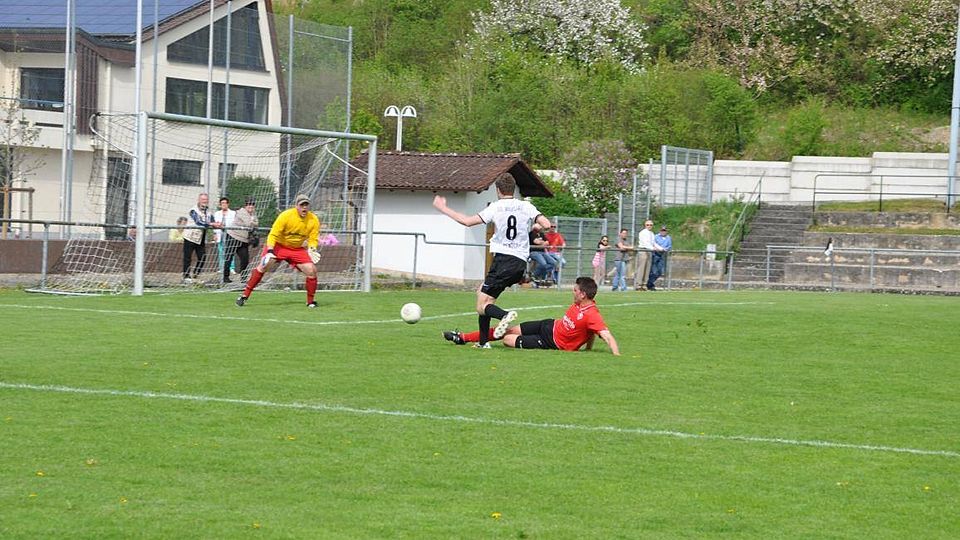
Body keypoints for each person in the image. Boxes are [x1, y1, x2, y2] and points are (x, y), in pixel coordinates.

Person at [433, 173, 551, 349]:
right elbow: (547, 224)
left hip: (503, 261)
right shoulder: (525, 206)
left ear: (498, 190)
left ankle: (504, 315)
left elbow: (467, 221)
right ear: (514, 190)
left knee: (482, 306)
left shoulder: (495, 207)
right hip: (520, 263)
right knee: (483, 295)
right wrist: (536, 226)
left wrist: (443, 208)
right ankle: (483, 342)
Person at [442, 277, 620, 356]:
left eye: (575, 290)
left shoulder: (592, 315)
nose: (572, 292)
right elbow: (590, 332)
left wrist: (617, 355)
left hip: (551, 342)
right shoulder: (579, 304)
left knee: (507, 340)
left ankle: (466, 339)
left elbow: (605, 335)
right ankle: (463, 338)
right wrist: (588, 348)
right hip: (548, 325)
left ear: (583, 294)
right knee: (506, 331)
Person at [236, 193, 321, 308]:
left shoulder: (313, 219)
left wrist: (312, 248)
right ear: (296, 206)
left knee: (312, 270)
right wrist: (270, 250)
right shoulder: (286, 216)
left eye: (306, 205)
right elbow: (273, 234)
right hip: (279, 246)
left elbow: (313, 238)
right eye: (302, 205)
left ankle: (310, 302)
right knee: (264, 265)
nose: (304, 208)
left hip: (296, 249)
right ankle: (245, 295)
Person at [182, 193, 221, 282]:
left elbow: (212, 221)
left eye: (206, 200)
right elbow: (199, 222)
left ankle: (196, 273)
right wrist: (212, 224)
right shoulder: (193, 210)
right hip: (190, 236)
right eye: (203, 199)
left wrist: (216, 227)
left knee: (202, 257)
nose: (205, 201)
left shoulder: (208, 211)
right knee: (187, 257)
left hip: (200, 237)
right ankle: (186, 276)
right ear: (199, 200)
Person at [225, 198, 258, 283]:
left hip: (243, 239)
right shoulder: (241, 212)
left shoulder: (253, 214)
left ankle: (243, 278)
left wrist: (252, 223)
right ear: (245, 206)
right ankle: (225, 277)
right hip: (233, 237)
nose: (250, 207)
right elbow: (248, 224)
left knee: (245, 259)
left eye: (252, 205)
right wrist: (252, 222)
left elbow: (256, 223)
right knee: (228, 258)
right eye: (248, 205)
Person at [634, 219, 664, 291]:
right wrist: (653, 248)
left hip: (649, 251)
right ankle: (639, 285)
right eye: (647, 225)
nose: (649, 226)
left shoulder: (652, 233)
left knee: (647, 269)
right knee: (642, 268)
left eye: (651, 225)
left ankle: (644, 284)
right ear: (645, 225)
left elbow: (653, 243)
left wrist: (661, 248)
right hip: (643, 250)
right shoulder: (642, 233)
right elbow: (645, 243)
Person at [212, 196, 236, 283]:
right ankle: (222, 267)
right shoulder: (217, 213)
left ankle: (231, 268)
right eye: (222, 203)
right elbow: (214, 224)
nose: (224, 205)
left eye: (225, 203)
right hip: (220, 234)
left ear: (228, 204)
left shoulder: (233, 213)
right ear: (220, 204)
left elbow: (234, 223)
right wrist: (215, 233)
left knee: (230, 252)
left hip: (229, 233)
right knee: (221, 251)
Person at [648, 226, 672, 290]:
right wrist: (659, 249)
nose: (663, 232)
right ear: (660, 231)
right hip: (655, 254)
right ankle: (650, 284)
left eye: (664, 231)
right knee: (654, 271)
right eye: (662, 230)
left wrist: (664, 249)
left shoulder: (668, 238)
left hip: (663, 255)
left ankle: (650, 283)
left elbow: (669, 246)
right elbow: (653, 244)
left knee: (660, 271)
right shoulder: (656, 236)